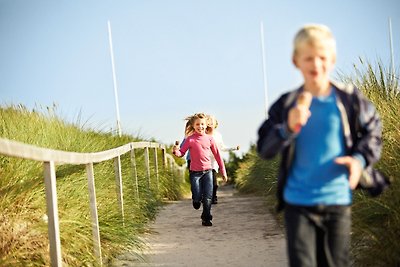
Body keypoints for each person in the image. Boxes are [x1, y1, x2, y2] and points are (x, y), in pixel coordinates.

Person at [256, 24, 383, 267]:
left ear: (332, 59)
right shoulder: (287, 104)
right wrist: (286, 129)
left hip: (337, 200)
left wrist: (359, 160)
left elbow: (373, 132)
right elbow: (265, 147)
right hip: (298, 203)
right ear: (296, 61)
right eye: (308, 58)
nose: (316, 64)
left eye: (322, 58)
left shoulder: (348, 100)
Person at [173, 113, 228, 226]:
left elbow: (218, 156)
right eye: (197, 124)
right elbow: (181, 153)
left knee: (208, 197)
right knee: (197, 197)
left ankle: (206, 218)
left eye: (202, 124)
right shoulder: (190, 140)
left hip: (208, 171)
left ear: (206, 125)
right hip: (195, 173)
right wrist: (175, 151)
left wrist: (223, 171)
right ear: (193, 126)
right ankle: (196, 200)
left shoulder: (210, 139)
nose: (200, 126)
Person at [206, 114, 239, 204]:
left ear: (215, 123)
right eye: (208, 121)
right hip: (204, 160)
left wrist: (233, 148)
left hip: (214, 162)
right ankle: (206, 197)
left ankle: (213, 197)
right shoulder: (203, 135)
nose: (210, 122)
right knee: (206, 182)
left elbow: (222, 147)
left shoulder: (218, 135)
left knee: (215, 184)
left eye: (212, 121)